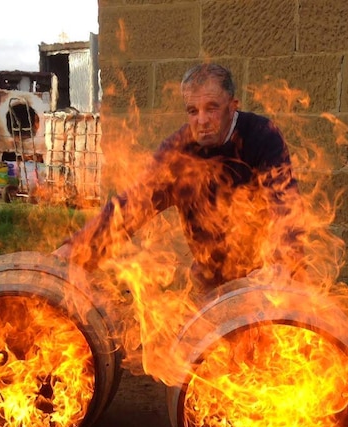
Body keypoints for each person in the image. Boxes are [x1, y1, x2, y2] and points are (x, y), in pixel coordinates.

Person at [56, 63, 303, 292]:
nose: (202, 120)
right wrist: (75, 251)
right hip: (212, 278)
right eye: (193, 111)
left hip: (265, 275)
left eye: (212, 108)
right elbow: (131, 206)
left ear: (232, 106)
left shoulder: (261, 136)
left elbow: (284, 203)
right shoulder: (177, 151)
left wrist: (281, 263)